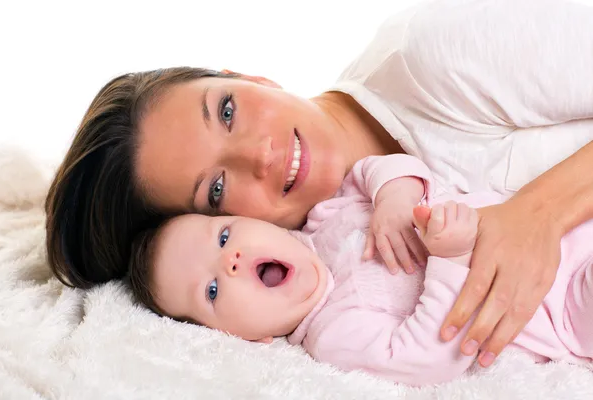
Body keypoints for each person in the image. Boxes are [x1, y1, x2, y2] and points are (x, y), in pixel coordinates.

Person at [45, 0, 593, 368]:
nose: (259, 152)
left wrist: (541, 212)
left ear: (247, 76)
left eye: (228, 110)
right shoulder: (338, 273)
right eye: (215, 188)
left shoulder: (438, 56)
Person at [126, 154, 593, 386]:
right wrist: (451, 258)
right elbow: (425, 358)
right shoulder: (334, 333)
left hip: (565, 222)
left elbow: (373, 167)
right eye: (211, 290)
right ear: (242, 338)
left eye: (225, 237)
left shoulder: (325, 217)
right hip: (560, 305)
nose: (229, 261)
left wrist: (395, 196)